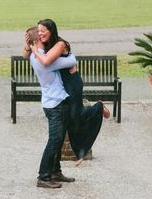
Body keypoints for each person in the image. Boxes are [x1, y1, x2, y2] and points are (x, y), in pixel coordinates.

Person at [29, 19, 110, 166]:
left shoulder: (60, 44)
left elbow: (46, 61)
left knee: (74, 116)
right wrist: (28, 44)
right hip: (64, 83)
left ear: (51, 30)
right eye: (38, 31)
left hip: (72, 82)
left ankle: (97, 108)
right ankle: (79, 152)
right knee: (72, 118)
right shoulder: (49, 44)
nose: (40, 33)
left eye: (43, 30)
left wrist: (35, 51)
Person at [23, 26, 77, 189]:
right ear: (37, 40)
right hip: (55, 104)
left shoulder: (36, 55)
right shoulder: (44, 60)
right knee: (54, 141)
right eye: (40, 35)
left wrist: (28, 48)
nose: (43, 36)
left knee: (58, 139)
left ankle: (55, 172)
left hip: (54, 101)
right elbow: (71, 60)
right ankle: (43, 176)